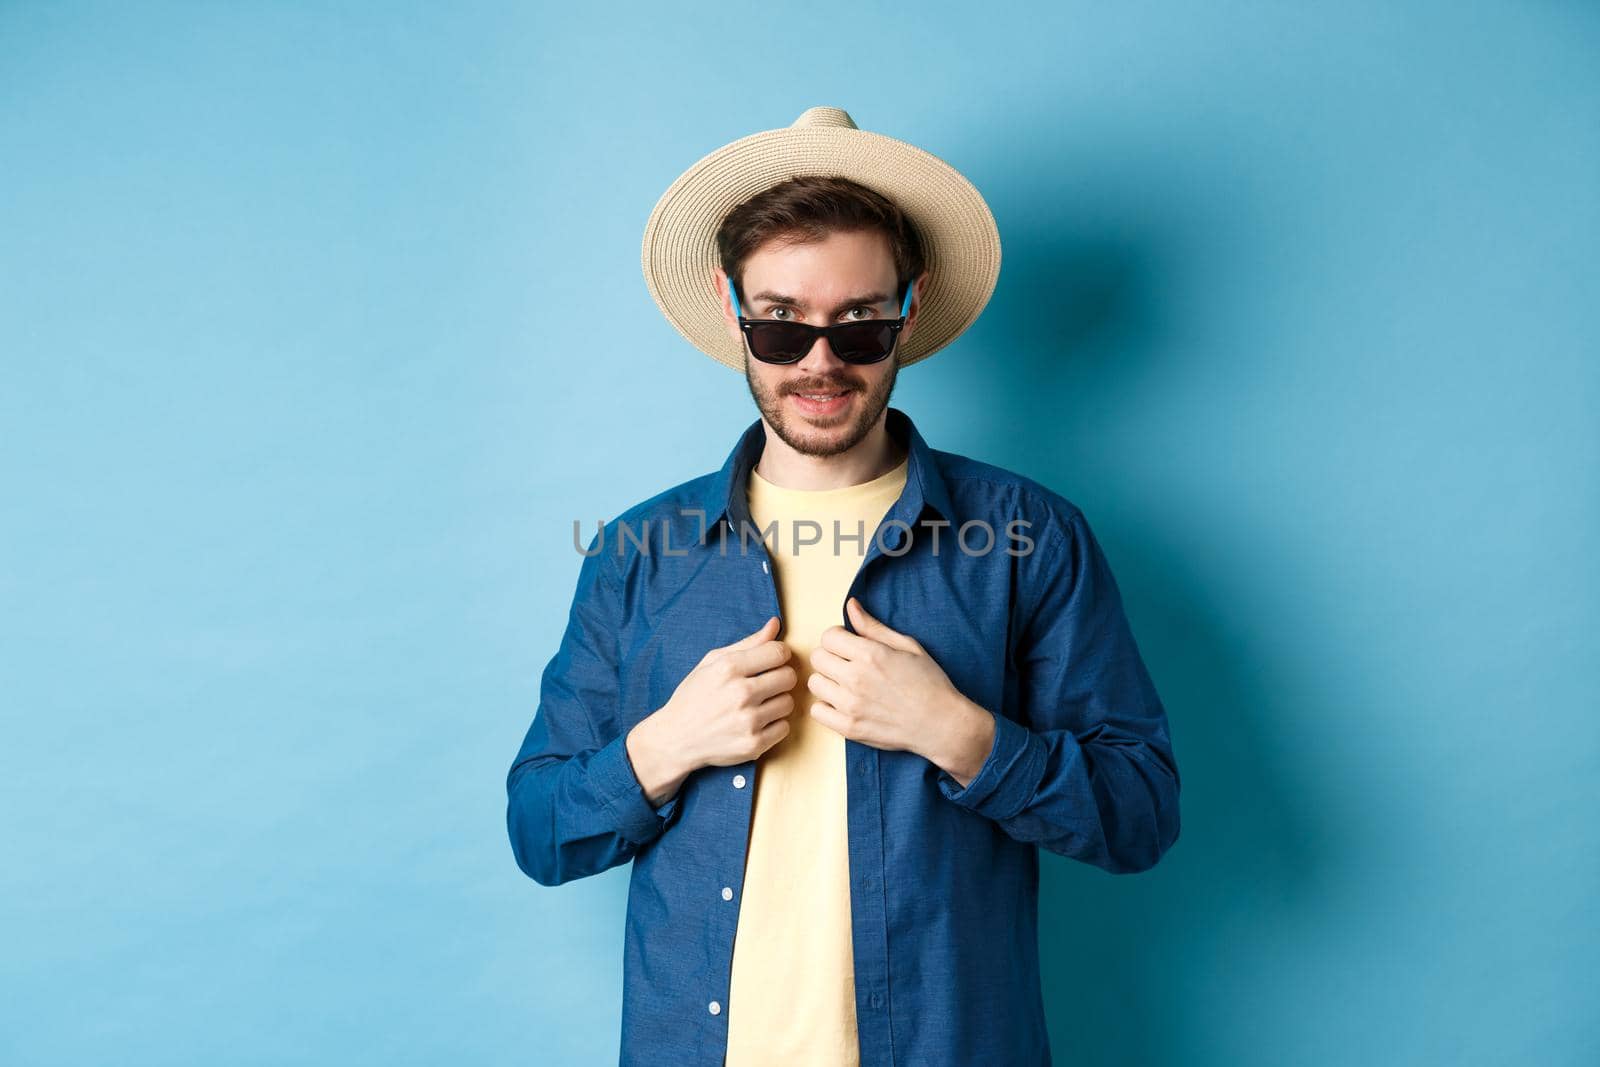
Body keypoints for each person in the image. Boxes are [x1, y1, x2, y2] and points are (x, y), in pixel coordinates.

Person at [506, 106, 1181, 1067]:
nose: (819, 362)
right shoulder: (638, 553)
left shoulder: (1029, 539)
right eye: (780, 327)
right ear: (733, 307)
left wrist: (963, 734)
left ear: (908, 310)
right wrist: (664, 745)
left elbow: (1141, 809)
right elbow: (538, 828)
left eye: (859, 325)